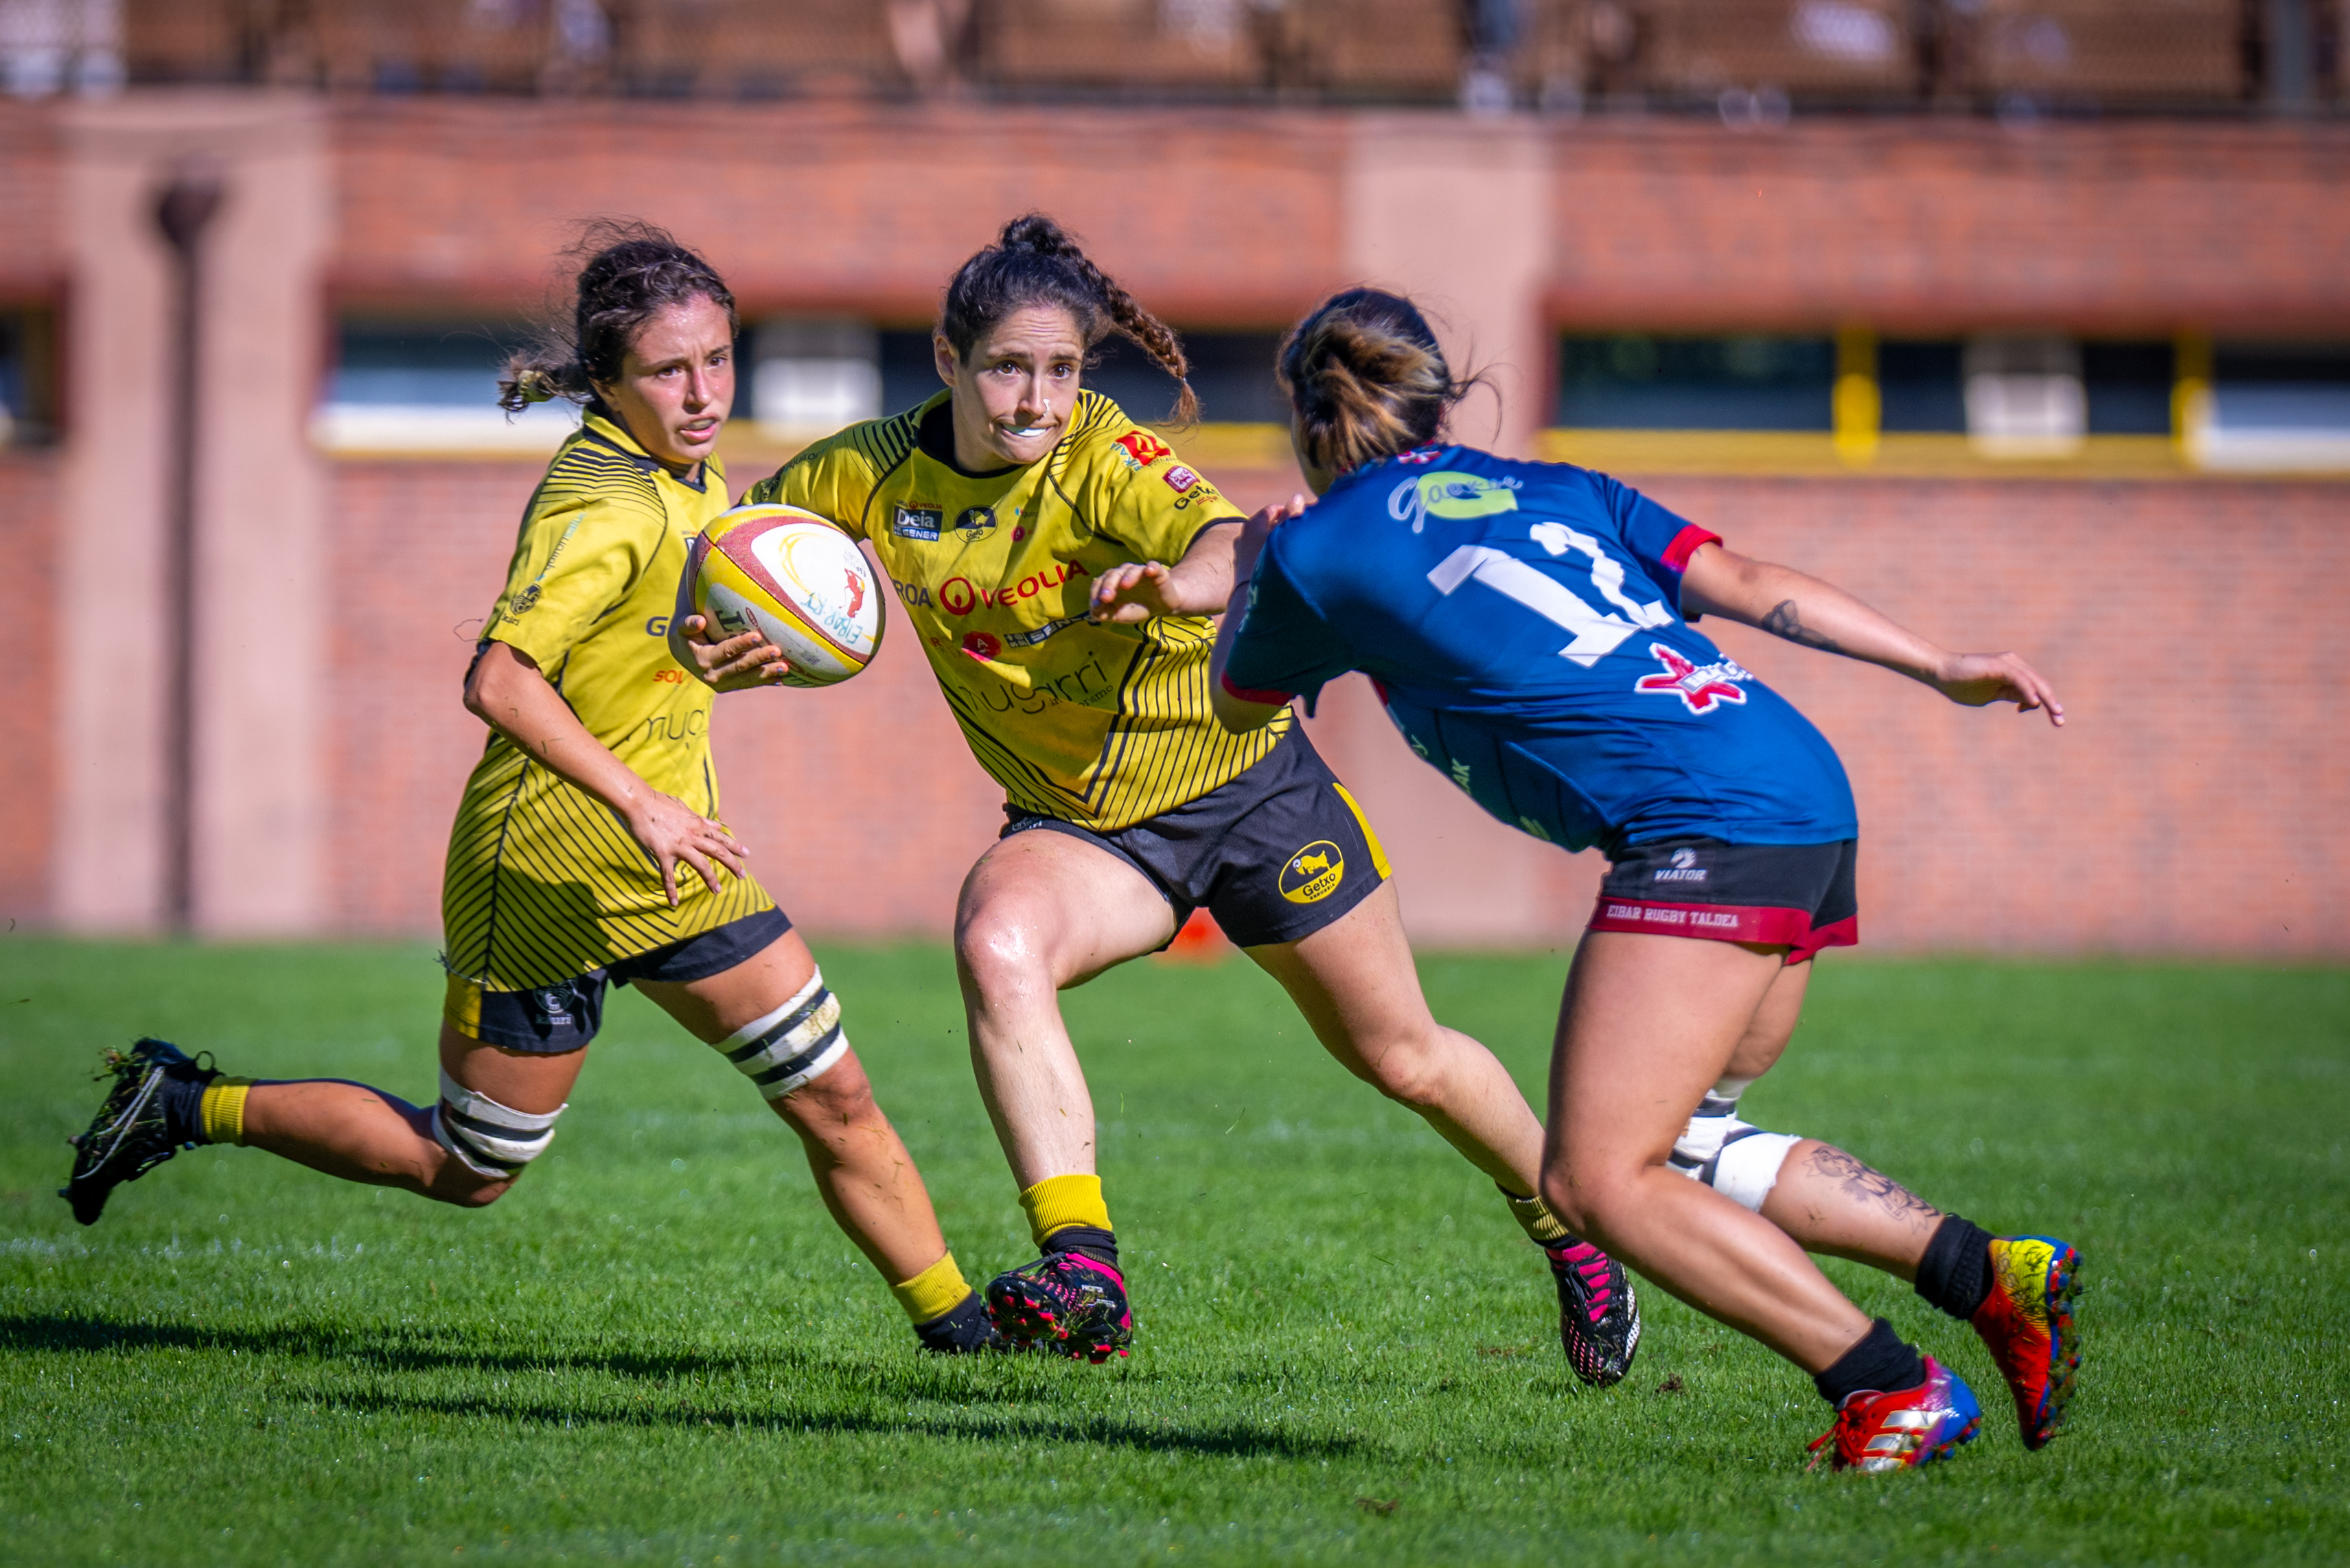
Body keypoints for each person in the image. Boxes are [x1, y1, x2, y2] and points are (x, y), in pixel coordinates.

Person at [680, 214, 1641, 1378]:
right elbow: (741, 551)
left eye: (1060, 370)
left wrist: (1178, 588)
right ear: (946, 360)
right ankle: (1084, 1266)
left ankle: (1574, 1235)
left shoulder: (1103, 455)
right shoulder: (867, 473)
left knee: (1404, 1058)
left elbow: (1228, 538)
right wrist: (712, 633)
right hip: (1086, 827)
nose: (1035, 400)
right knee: (997, 938)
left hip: (1244, 783)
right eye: (1005, 368)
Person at [61, 226, 1001, 1355]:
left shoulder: (686, 480)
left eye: (718, 359)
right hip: (547, 871)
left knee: (833, 1095)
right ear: (607, 381)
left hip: (682, 868)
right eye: (668, 371)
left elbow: (625, 660)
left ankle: (967, 1337)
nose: (703, 393)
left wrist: (697, 673)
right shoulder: (602, 505)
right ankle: (181, 1103)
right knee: (468, 1167)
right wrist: (640, 799)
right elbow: (499, 680)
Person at [1208, 286, 2081, 1470]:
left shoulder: (1315, 547)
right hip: (1798, 786)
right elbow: (1747, 577)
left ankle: (1890, 1390)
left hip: (1701, 828)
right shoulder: (1562, 487)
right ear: (1443, 400)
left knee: (1594, 1180)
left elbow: (1234, 700)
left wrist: (1258, 561)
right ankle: (1989, 1275)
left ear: (1307, 426)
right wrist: (1939, 664)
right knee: (1685, 1144)